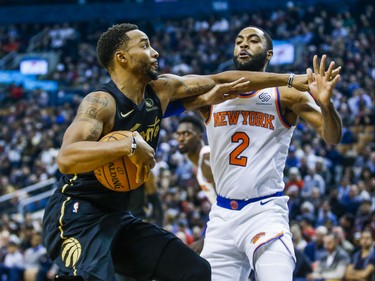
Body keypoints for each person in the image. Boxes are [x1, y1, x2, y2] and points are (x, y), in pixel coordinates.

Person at [42, 23, 311, 281]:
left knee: (196, 272)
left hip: (117, 216)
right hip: (76, 214)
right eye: (145, 46)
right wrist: (129, 145)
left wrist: (291, 79)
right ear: (122, 57)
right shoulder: (101, 102)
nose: (155, 52)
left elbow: (223, 78)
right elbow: (66, 158)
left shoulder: (161, 91)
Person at [182, 26, 342, 281]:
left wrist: (327, 106)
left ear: (269, 55)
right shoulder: (214, 92)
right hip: (222, 217)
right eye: (238, 41)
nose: (243, 45)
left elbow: (332, 137)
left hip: (264, 212)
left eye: (253, 41)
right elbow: (181, 87)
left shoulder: (286, 94)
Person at [176, 115, 216, 253]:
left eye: (187, 134)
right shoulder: (199, 162)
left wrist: (207, 238)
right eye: (179, 134)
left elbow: (229, 201)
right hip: (227, 218)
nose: (181, 138)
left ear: (199, 137)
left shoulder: (207, 158)